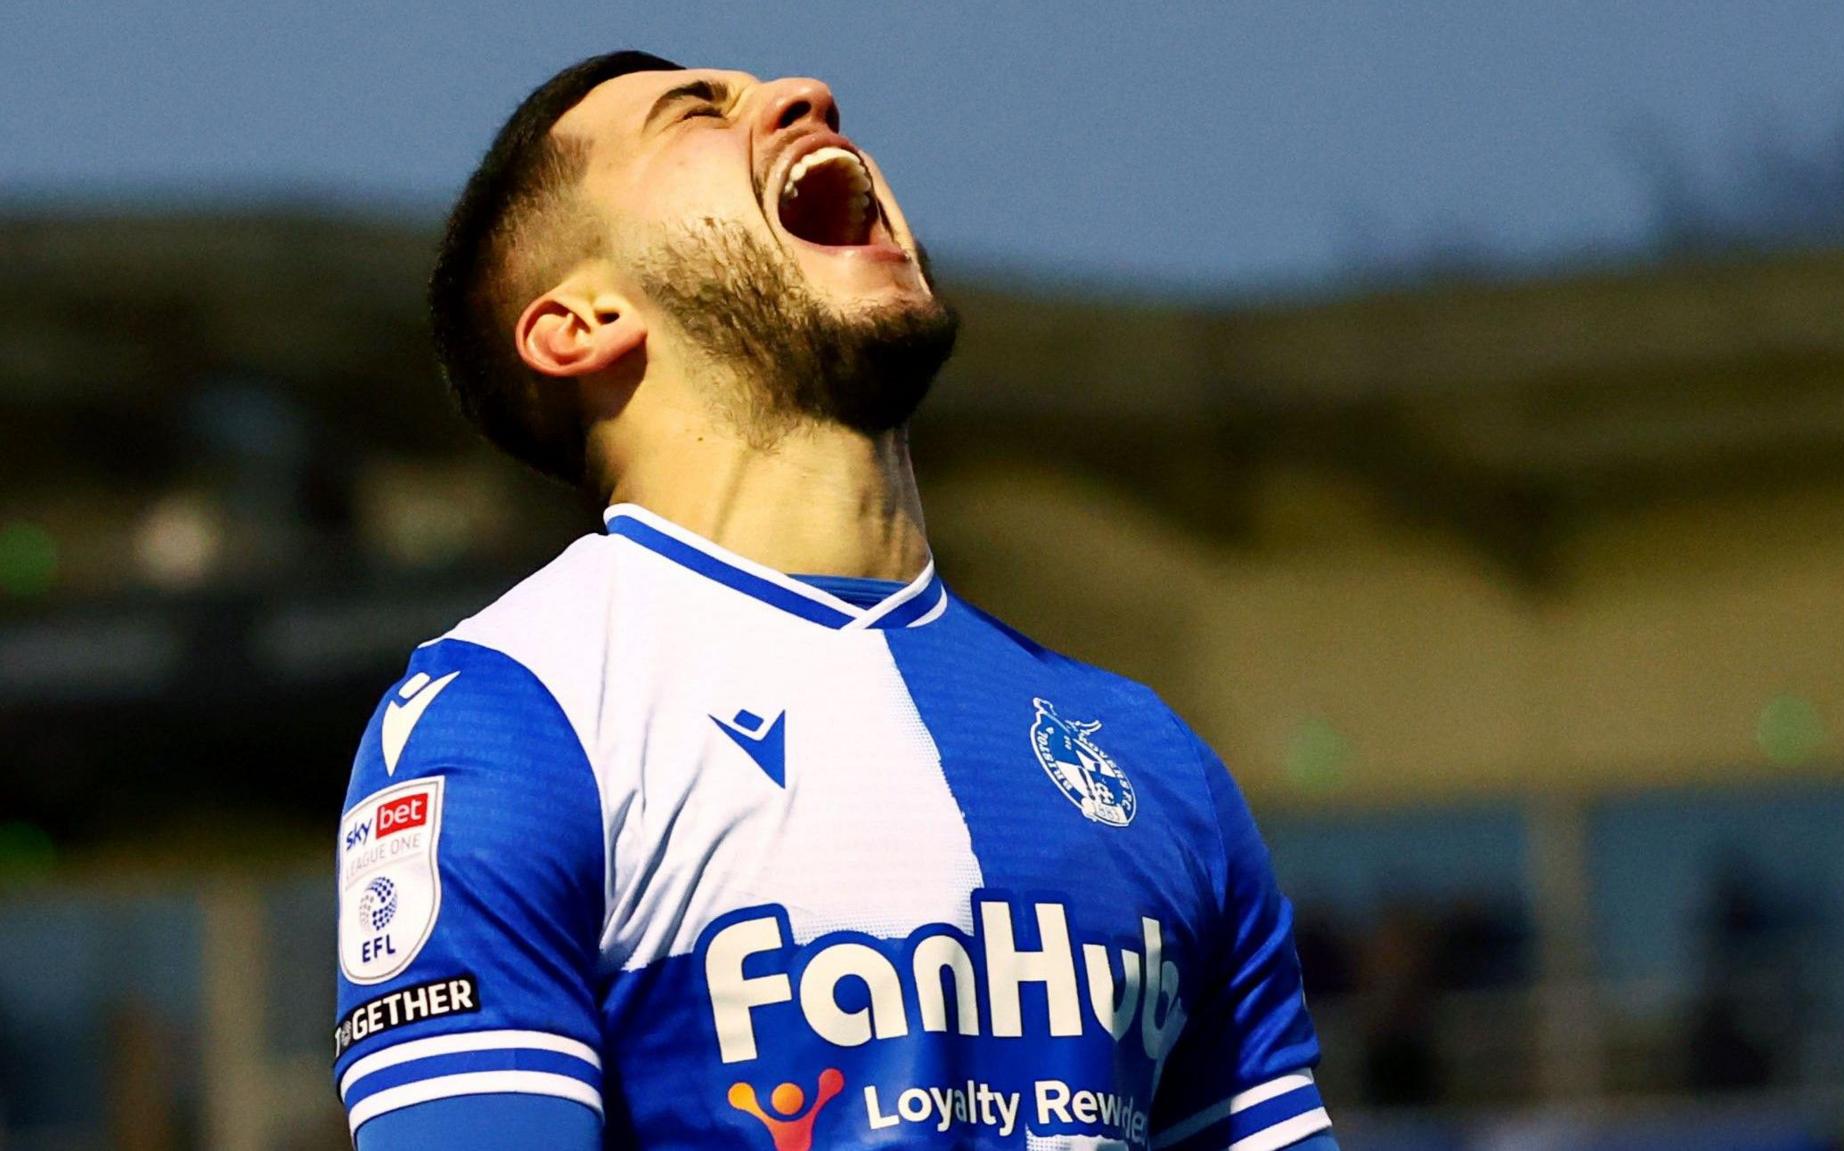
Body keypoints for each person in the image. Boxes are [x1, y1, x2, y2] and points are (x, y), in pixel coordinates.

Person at [331, 50, 1334, 1151]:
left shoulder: (1149, 756)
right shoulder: (513, 715)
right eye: (693, 113)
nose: (805, 95)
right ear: (581, 319)